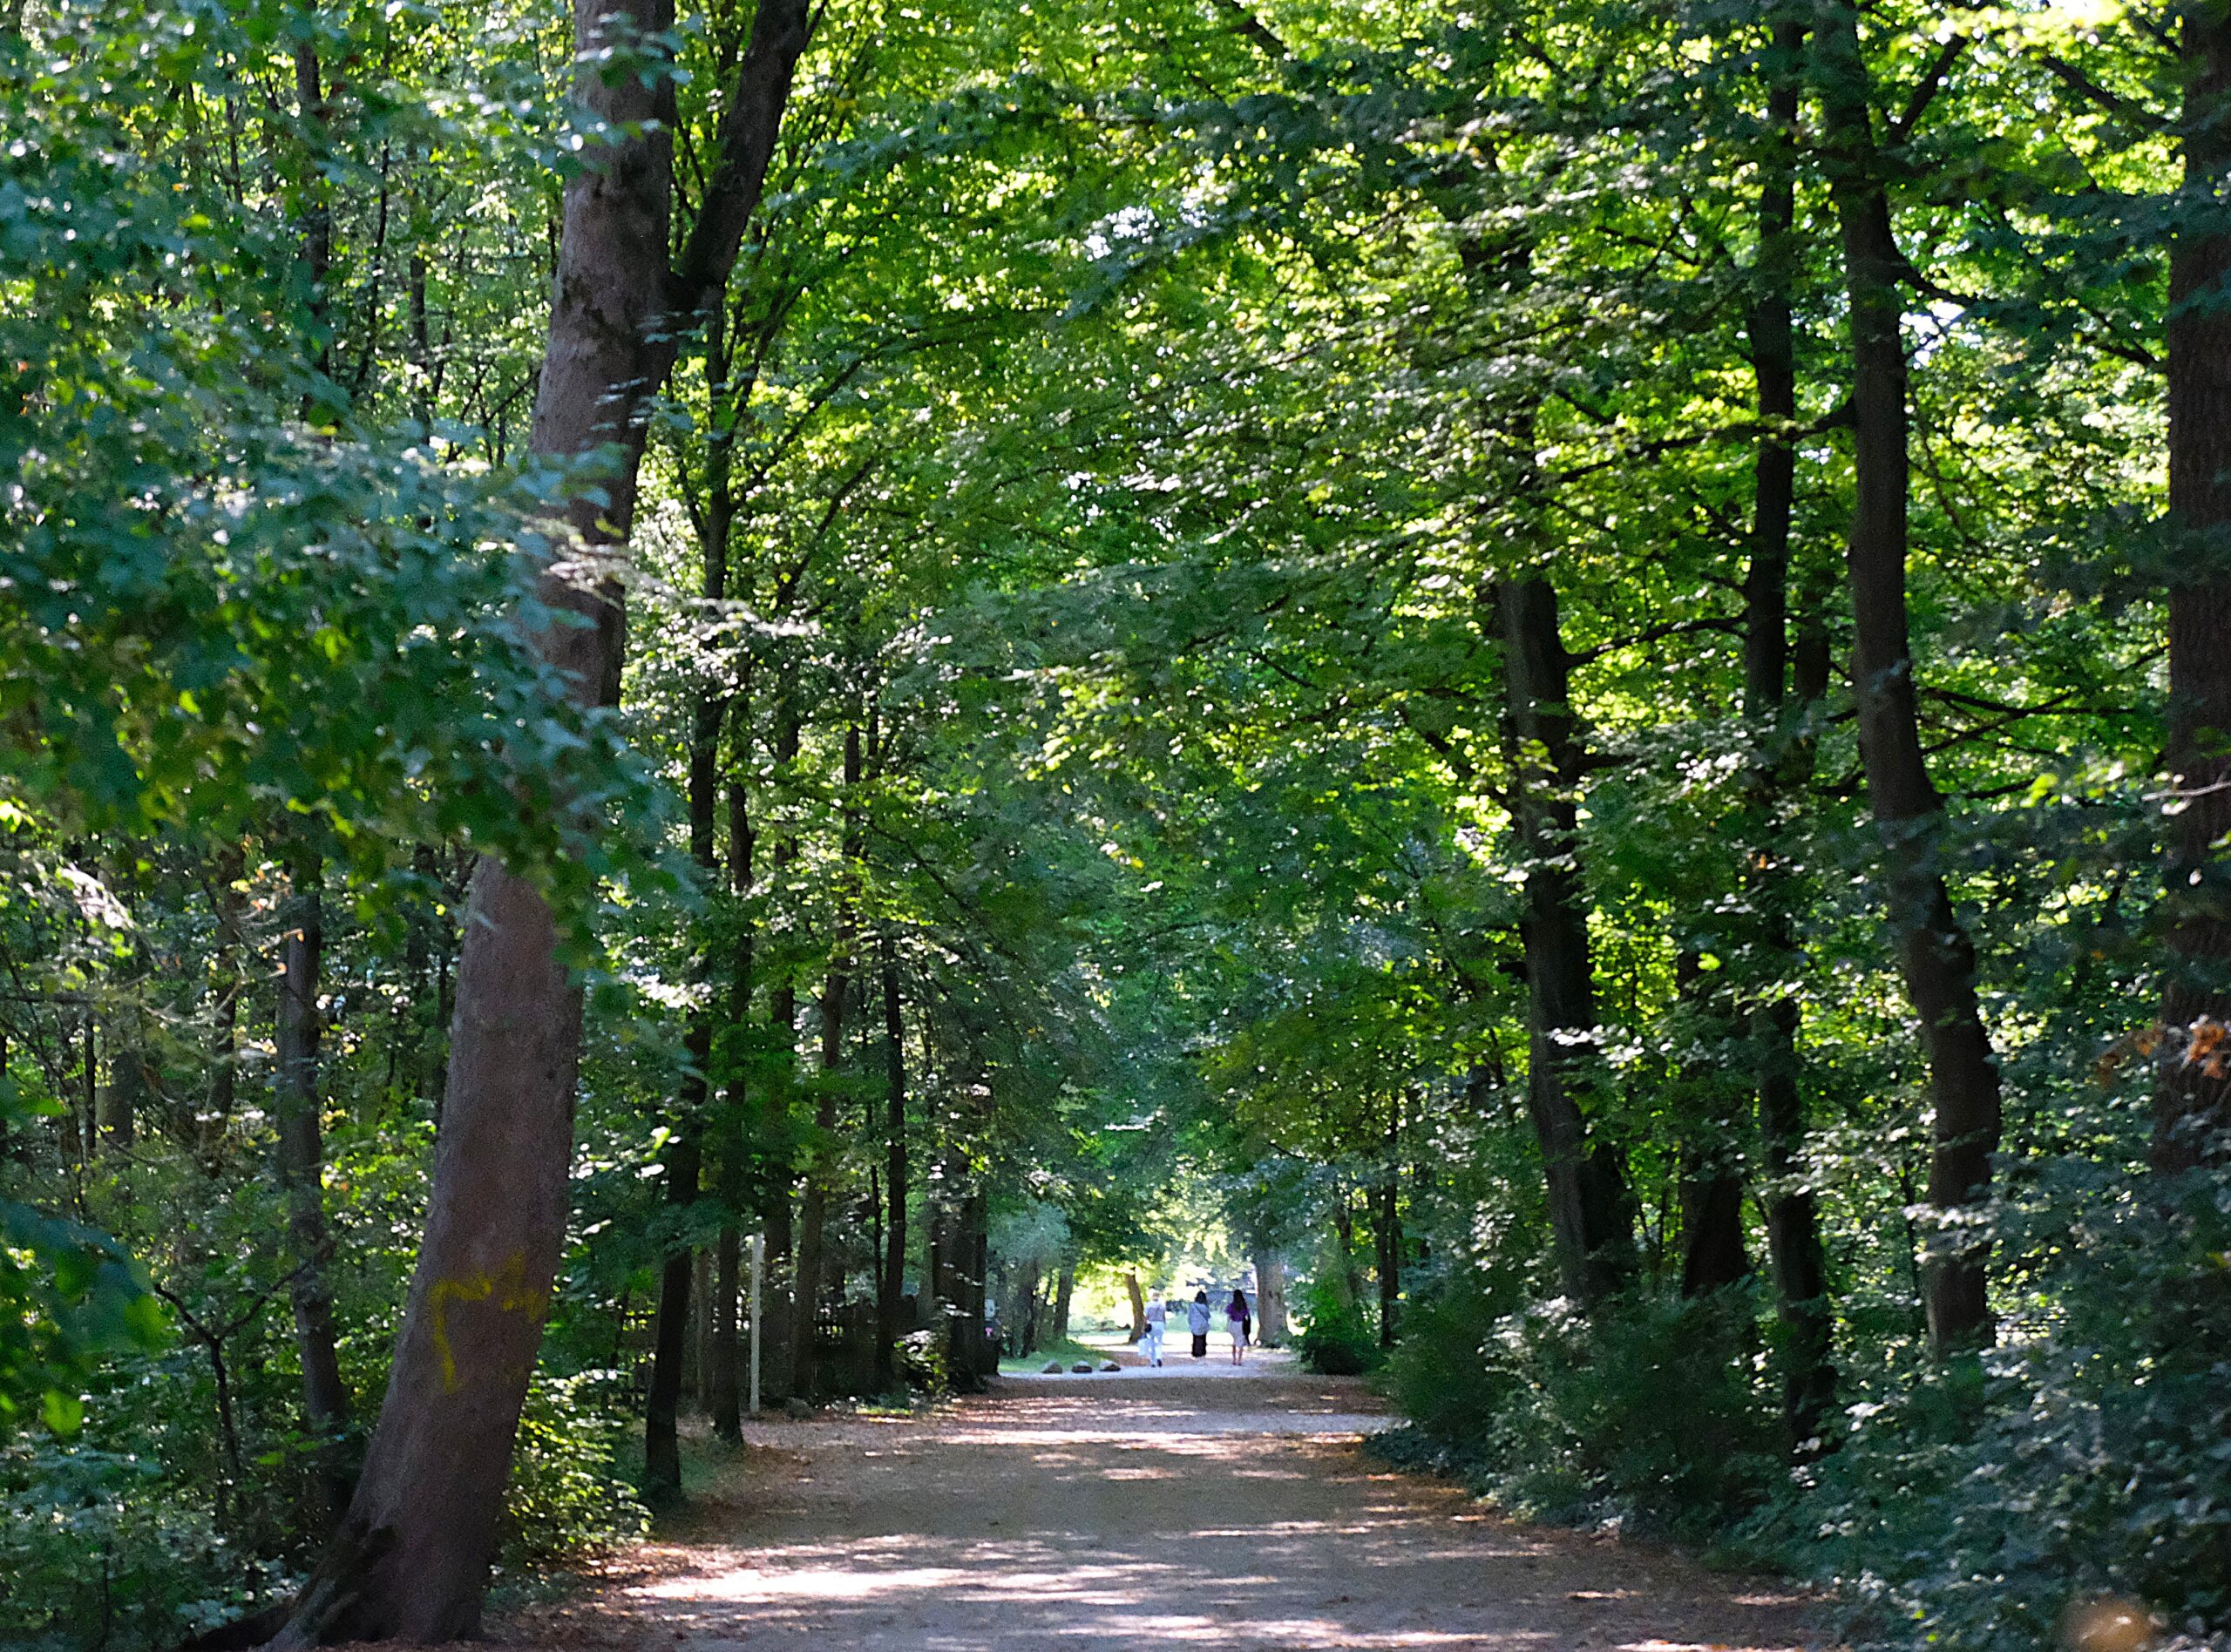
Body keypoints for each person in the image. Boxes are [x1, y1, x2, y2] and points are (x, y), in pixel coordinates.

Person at [1142, 1293, 1167, 1367]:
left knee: (1151, 1343)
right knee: (1159, 1342)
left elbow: (1146, 1316)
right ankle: (1158, 1357)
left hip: (1151, 1324)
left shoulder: (1148, 1305)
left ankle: (1153, 1362)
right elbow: (1164, 1316)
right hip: (1160, 1324)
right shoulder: (1162, 1305)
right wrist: (1164, 1325)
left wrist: (1144, 1326)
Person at [1226, 1287, 1250, 1364]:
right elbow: (1246, 1315)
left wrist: (1228, 1325)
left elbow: (1229, 1316)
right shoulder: (1244, 1305)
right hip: (1241, 1324)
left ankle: (1233, 1359)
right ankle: (1239, 1360)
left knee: (1234, 1341)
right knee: (1240, 1343)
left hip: (1233, 1324)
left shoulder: (1232, 1305)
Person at [1188, 1290, 1211, 1359]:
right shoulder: (1205, 1307)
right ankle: (1202, 1352)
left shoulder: (1192, 1306)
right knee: (1203, 1339)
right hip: (1203, 1325)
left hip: (1195, 1324)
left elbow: (1189, 1316)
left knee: (1195, 1339)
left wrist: (1190, 1323)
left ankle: (1195, 1352)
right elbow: (1208, 1316)